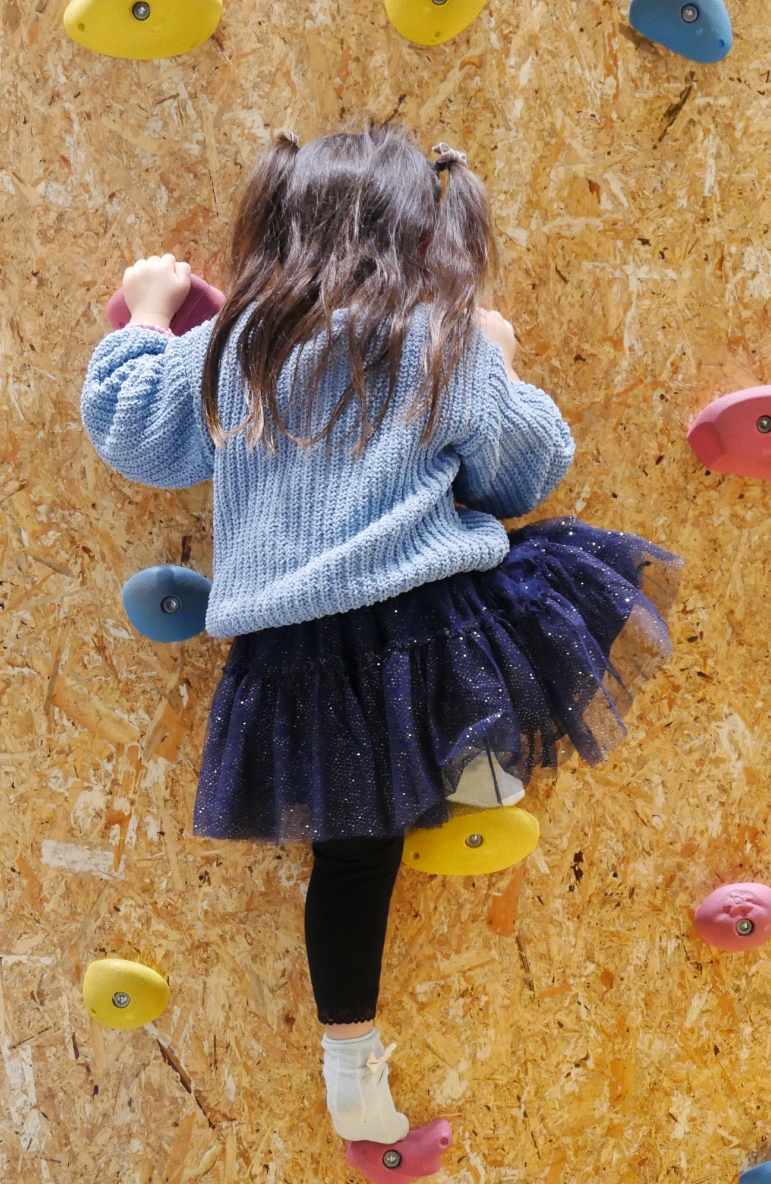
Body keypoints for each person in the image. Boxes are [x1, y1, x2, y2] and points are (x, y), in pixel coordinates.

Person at [80, 123, 679, 1146]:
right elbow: (527, 474)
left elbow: (129, 426)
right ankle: (478, 752)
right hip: (429, 629)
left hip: (294, 656)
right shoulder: (438, 341)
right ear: (418, 238)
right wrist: (503, 359)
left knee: (351, 863)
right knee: (535, 574)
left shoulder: (237, 348)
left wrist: (143, 315)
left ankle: (349, 1058)